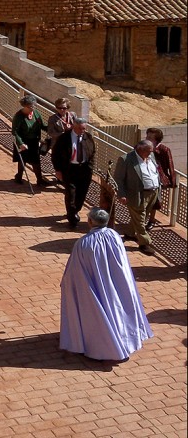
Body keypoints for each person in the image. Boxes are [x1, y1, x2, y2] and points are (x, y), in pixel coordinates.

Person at [59, 208, 153, 360]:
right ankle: (123, 339)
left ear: (90, 222)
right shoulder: (114, 236)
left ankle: (101, 345)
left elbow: (74, 270)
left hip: (94, 285)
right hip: (116, 283)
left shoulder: (83, 243)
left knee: (98, 311)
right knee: (117, 308)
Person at [114, 140, 161, 255]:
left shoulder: (151, 157)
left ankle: (130, 233)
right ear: (140, 149)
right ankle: (144, 243)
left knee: (142, 217)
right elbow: (118, 179)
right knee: (140, 218)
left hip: (153, 192)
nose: (150, 154)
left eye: (151, 151)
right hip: (137, 194)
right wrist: (121, 194)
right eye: (148, 152)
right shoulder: (126, 159)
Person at [51, 117, 96, 227]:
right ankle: (72, 218)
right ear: (74, 127)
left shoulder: (88, 137)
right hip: (69, 170)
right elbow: (55, 155)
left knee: (81, 194)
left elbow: (93, 153)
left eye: (84, 129)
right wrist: (58, 170)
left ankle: (75, 210)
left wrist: (91, 168)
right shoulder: (64, 138)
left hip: (84, 170)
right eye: (81, 129)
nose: (83, 131)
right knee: (71, 194)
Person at [11, 94, 49, 187]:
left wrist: (52, 128)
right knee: (22, 160)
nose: (33, 108)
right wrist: (20, 143)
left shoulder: (36, 113)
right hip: (23, 142)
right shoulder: (19, 116)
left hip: (34, 142)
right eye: (30, 106)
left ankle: (39, 180)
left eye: (34, 105)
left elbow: (42, 126)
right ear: (25, 106)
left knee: (36, 161)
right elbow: (15, 132)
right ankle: (19, 177)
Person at [145, 127, 177, 229]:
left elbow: (170, 165)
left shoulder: (163, 150)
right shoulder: (143, 147)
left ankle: (151, 220)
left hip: (157, 179)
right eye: (147, 136)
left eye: (150, 137)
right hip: (144, 177)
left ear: (156, 139)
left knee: (155, 201)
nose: (147, 138)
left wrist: (172, 181)